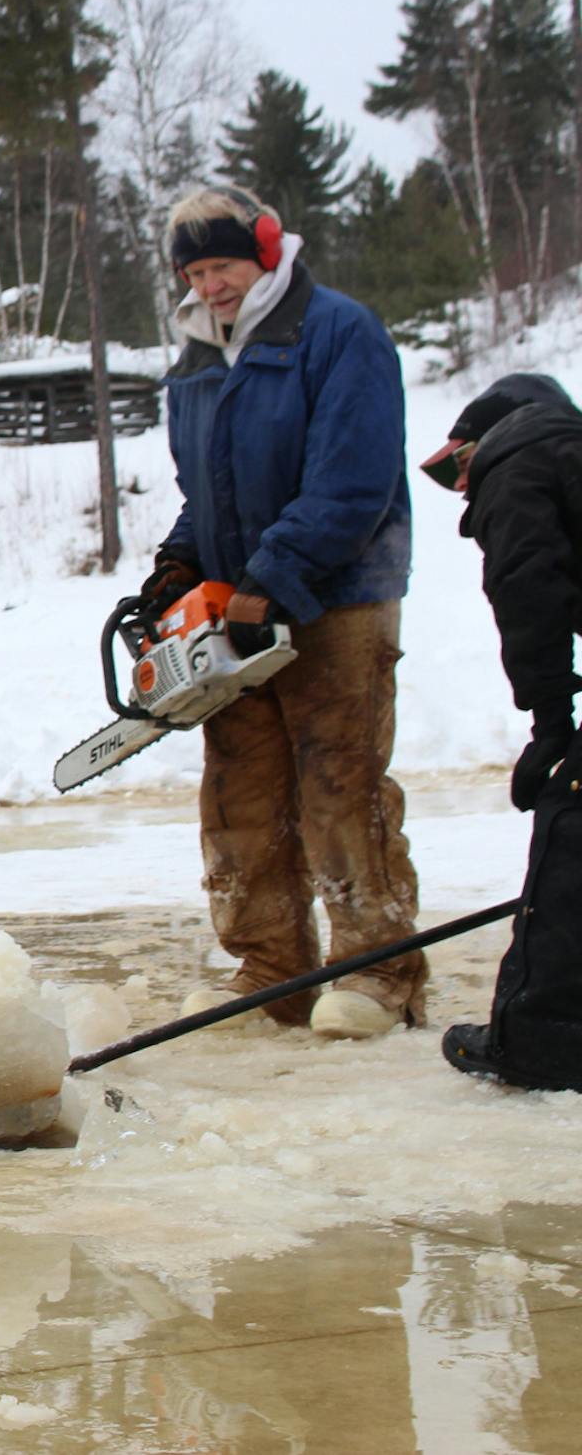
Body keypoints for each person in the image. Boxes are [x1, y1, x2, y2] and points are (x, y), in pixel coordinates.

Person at [149, 183, 420, 1040]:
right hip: (240, 610)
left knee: (340, 785)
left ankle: (377, 972)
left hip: (337, 597)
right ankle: (271, 970)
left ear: (265, 251)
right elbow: (211, 491)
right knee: (239, 796)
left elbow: (354, 481)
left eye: (222, 264)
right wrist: (181, 560)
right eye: (195, 270)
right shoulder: (195, 359)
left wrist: (275, 575)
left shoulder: (339, 332)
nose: (210, 284)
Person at [420, 374, 582, 1090]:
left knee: (571, 831)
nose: (461, 489)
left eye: (457, 466)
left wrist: (553, 726)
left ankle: (539, 1040)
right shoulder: (566, 450)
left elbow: (526, 582)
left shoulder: (518, 456)